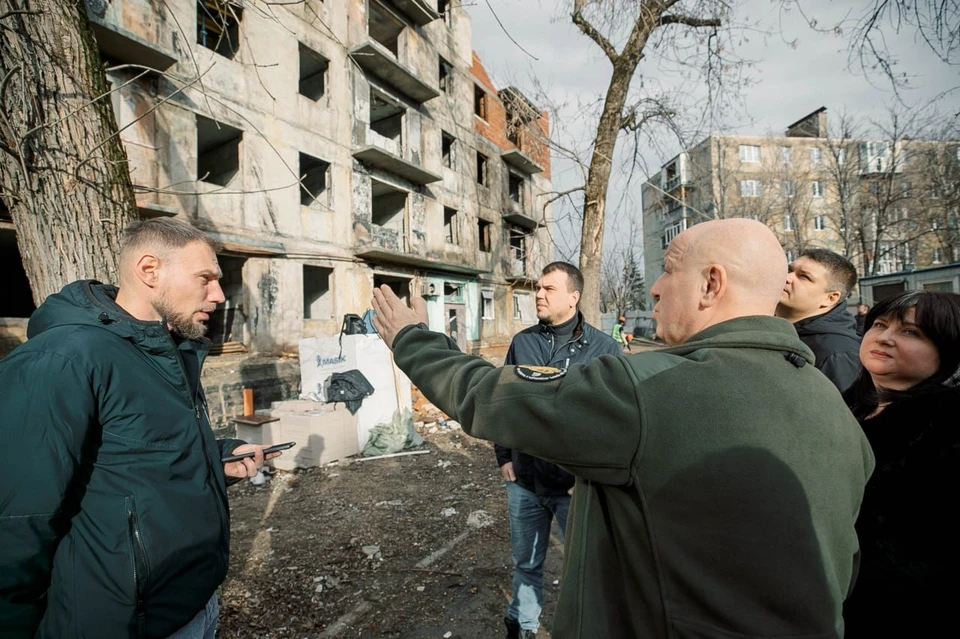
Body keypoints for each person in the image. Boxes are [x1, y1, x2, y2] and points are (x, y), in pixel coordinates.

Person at [372, 218, 873, 638]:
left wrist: (415, 341)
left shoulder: (652, 389)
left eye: (669, 269)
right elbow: (842, 566)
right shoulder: (832, 405)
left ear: (711, 284)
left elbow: (491, 396)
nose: (654, 287)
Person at [0, 219, 280, 638]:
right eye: (205, 278)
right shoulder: (63, 359)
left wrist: (216, 460)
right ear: (149, 270)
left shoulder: (169, 350)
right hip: (120, 624)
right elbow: (16, 521)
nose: (219, 295)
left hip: (193, 607)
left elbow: (136, 458)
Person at [495, 262, 622, 639]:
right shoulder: (523, 341)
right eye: (538, 287)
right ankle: (524, 627)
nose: (539, 294)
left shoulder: (604, 347)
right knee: (526, 562)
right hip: (525, 481)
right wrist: (504, 457)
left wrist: (589, 474)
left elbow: (612, 420)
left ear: (573, 296)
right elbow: (506, 402)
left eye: (549, 289)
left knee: (584, 568)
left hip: (574, 487)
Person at [841, 291, 960, 637]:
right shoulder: (846, 404)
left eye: (910, 332)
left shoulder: (947, 426)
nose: (884, 338)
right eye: (879, 324)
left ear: (947, 350)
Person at [775, 248, 862, 391]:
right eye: (789, 270)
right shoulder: (778, 331)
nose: (788, 278)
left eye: (804, 277)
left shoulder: (837, 354)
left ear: (830, 298)